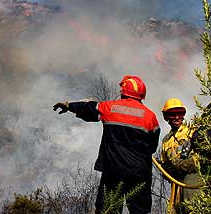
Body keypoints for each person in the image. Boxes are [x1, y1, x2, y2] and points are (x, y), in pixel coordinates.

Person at [53, 75, 160, 214]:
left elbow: (89, 108)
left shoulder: (110, 108)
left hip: (113, 171)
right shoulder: (150, 116)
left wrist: (69, 106)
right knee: (140, 211)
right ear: (142, 95)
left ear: (123, 92)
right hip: (138, 173)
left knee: (108, 209)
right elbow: (152, 146)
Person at [159, 98, 202, 214]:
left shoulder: (192, 131)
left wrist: (184, 165)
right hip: (176, 186)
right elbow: (165, 168)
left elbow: (201, 157)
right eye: (173, 115)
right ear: (166, 117)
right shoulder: (166, 141)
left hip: (193, 180)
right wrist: (167, 170)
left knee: (193, 209)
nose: (177, 117)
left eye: (180, 113)